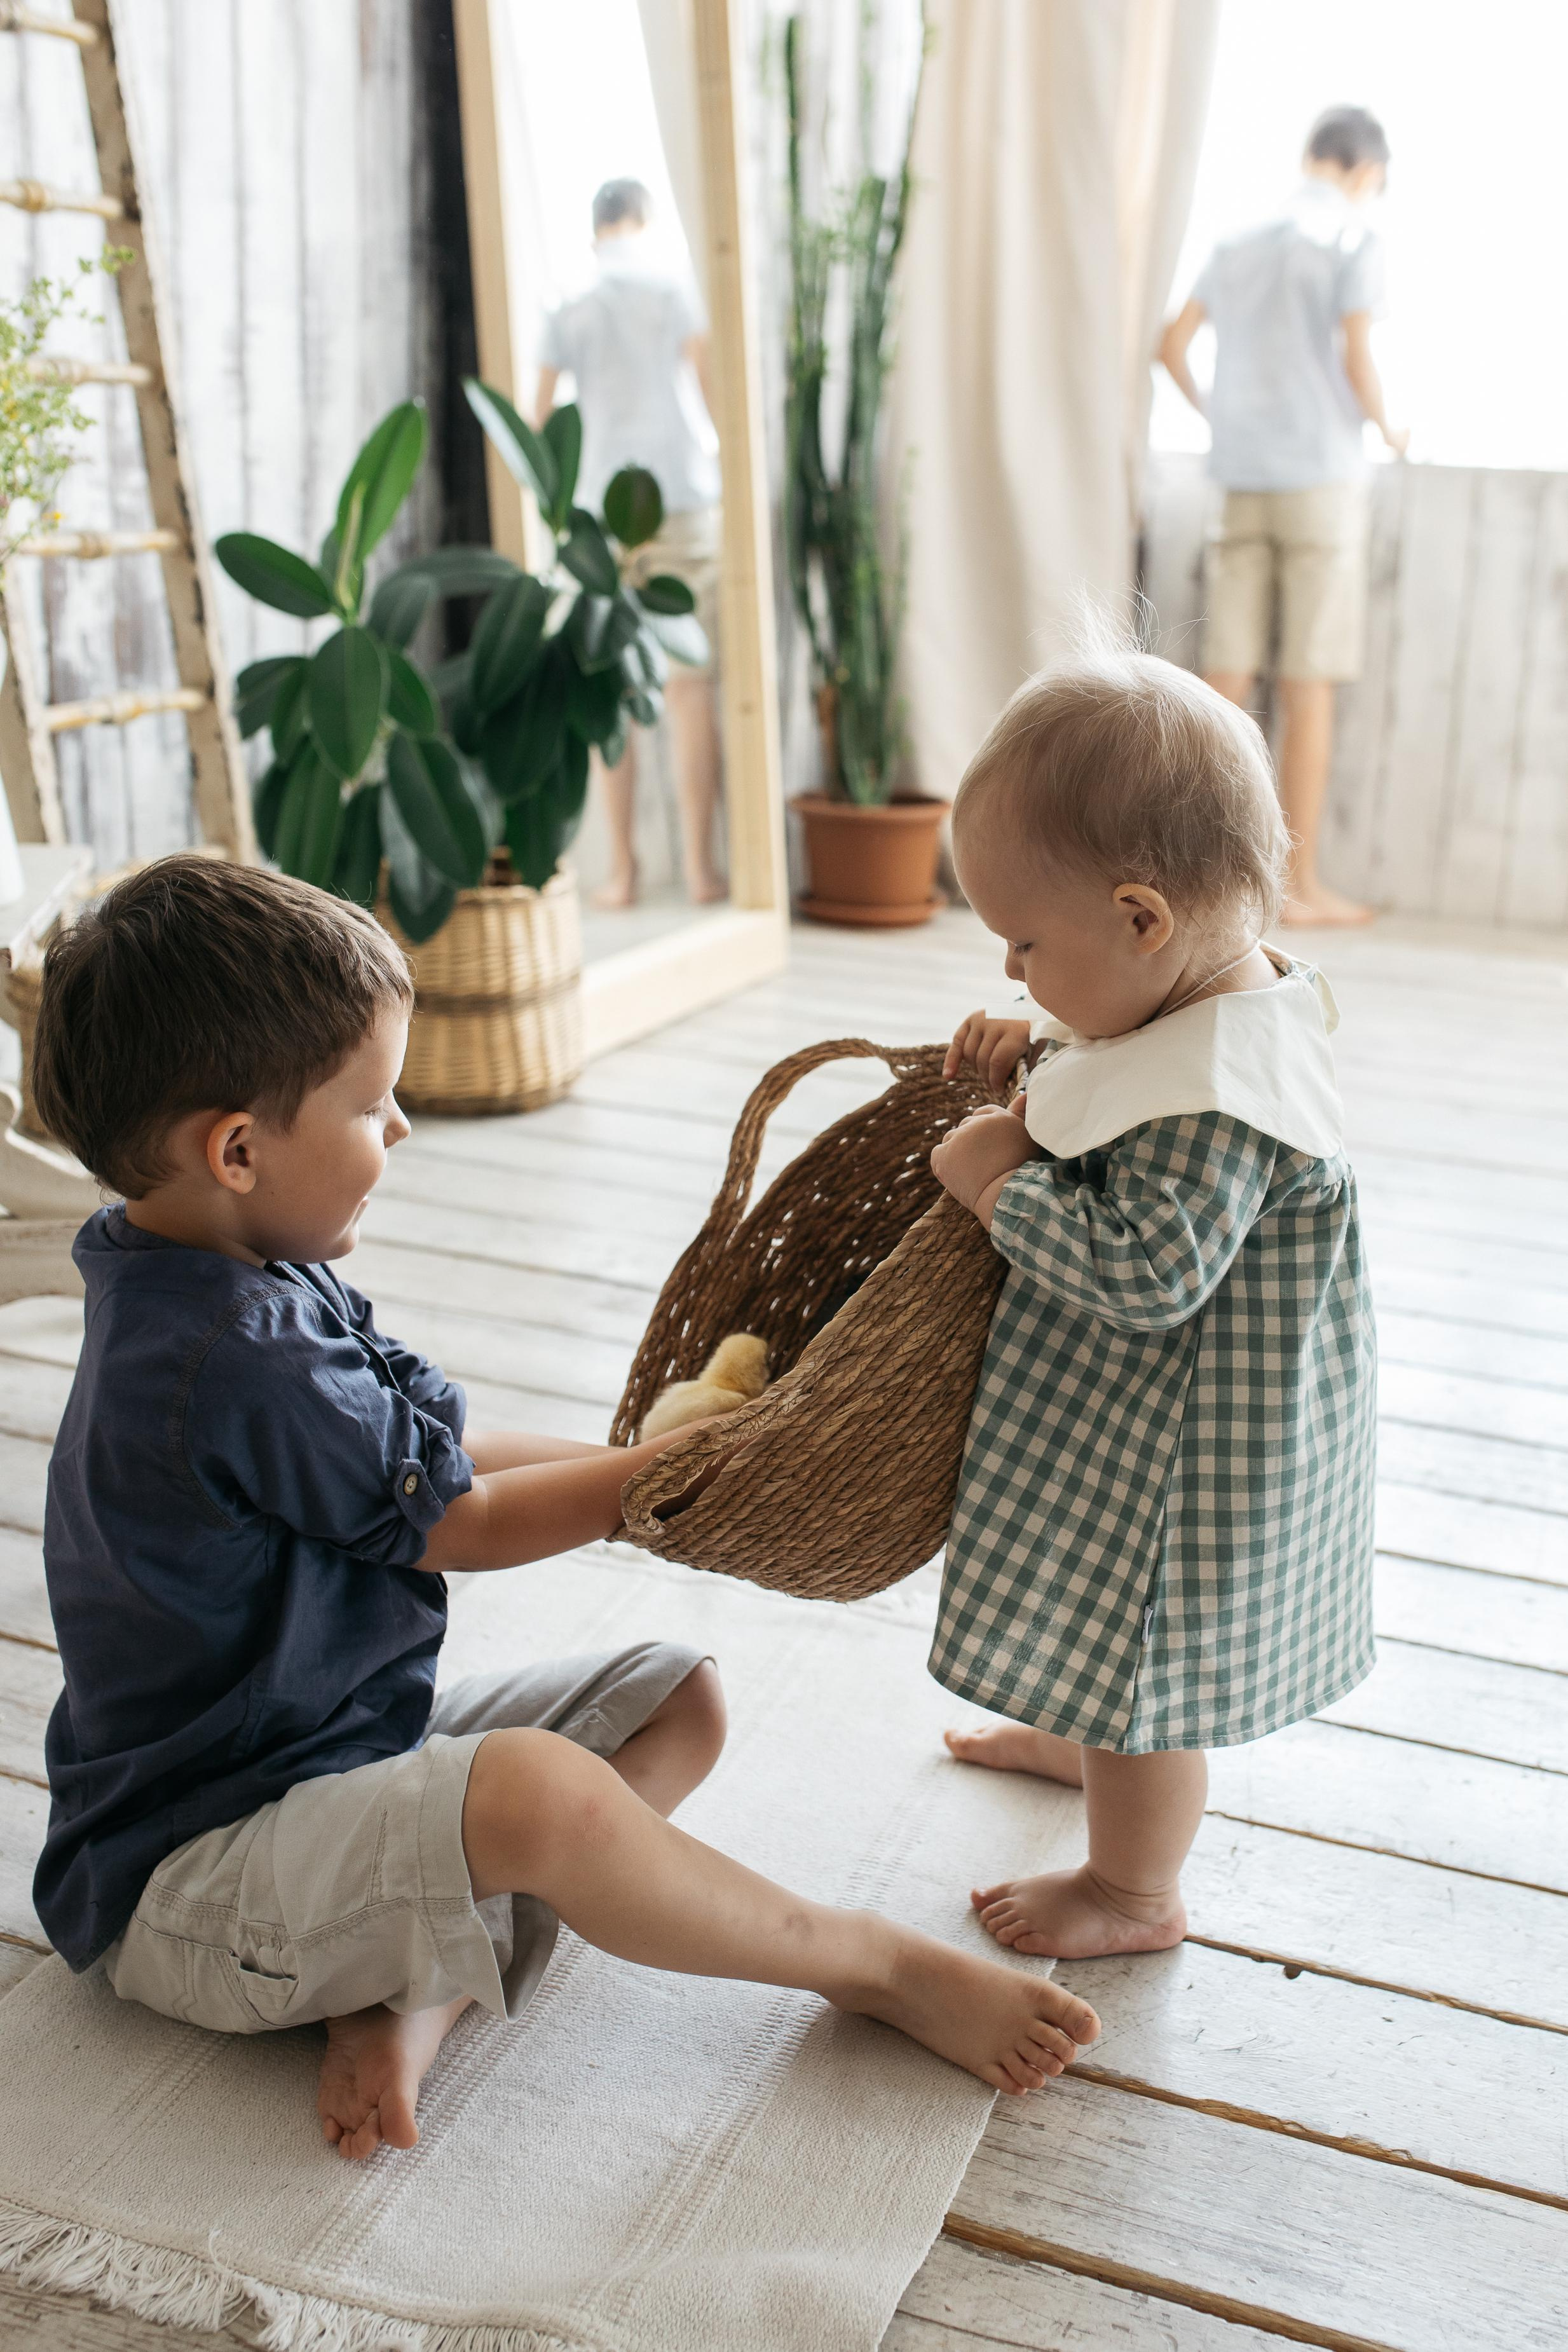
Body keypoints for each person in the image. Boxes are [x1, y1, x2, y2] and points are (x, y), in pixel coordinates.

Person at [29, 856, 1100, 2161]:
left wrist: (643, 1454)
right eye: (374, 1104)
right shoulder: (221, 1351)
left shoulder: (239, 1265)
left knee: (677, 1693)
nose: (403, 1127)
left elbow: (444, 1451)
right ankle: (865, 1961)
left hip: (325, 1763)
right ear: (238, 1149)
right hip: (198, 1881)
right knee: (538, 1791)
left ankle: (408, 1981)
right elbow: (461, 1522)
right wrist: (660, 1480)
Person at [934, 647, 1377, 1959]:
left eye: (1024, 942)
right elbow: (1115, 1040)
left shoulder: (1217, 1095)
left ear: (1141, 920)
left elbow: (1149, 1270)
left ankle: (1135, 1887)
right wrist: (1045, 1046)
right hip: (1139, 1422)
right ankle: (1085, 1736)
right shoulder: (1186, 985)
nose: (1015, 970)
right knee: (1095, 1624)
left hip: (1188, 1456)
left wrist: (999, 1183)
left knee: (1144, 1673)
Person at [1159, 105, 1408, 927]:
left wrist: (1216, 422)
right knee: (1307, 686)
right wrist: (1388, 430)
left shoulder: (1237, 239)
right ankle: (1295, 889)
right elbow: (1355, 354)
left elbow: (1170, 344)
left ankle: (1198, 882)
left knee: (1220, 689)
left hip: (1237, 477)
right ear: (1364, 173)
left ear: (1310, 156)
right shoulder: (1351, 239)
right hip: (1316, 481)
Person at [538, 178, 725, 910]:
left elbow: (540, 417)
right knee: (689, 688)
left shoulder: (569, 297)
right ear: (642, 222)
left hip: (596, 513)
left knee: (608, 695)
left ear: (596, 230)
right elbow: (708, 387)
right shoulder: (673, 284)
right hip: (677, 496)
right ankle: (703, 871)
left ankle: (622, 871)